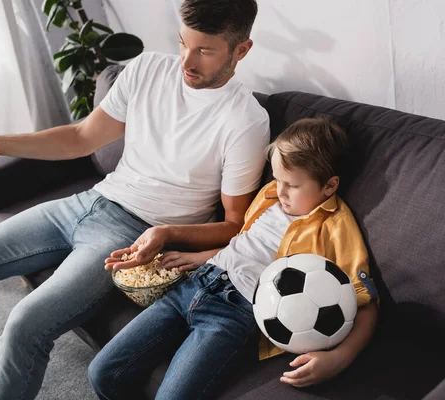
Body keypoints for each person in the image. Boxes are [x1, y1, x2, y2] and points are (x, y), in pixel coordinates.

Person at [0, 1, 269, 399]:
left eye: (204, 51)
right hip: (89, 201)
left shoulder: (245, 120)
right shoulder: (148, 68)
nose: (186, 61)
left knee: (25, 323)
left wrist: (165, 233)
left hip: (132, 233)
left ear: (241, 50)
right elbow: (82, 137)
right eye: (182, 43)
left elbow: (236, 224)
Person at [90, 117, 379, 399]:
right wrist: (201, 257)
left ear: (329, 186)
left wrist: (340, 357)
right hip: (193, 285)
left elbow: (364, 300)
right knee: (102, 372)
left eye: (292, 185)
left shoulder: (337, 227)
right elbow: (245, 242)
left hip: (233, 312)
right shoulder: (269, 196)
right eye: (277, 179)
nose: (280, 191)